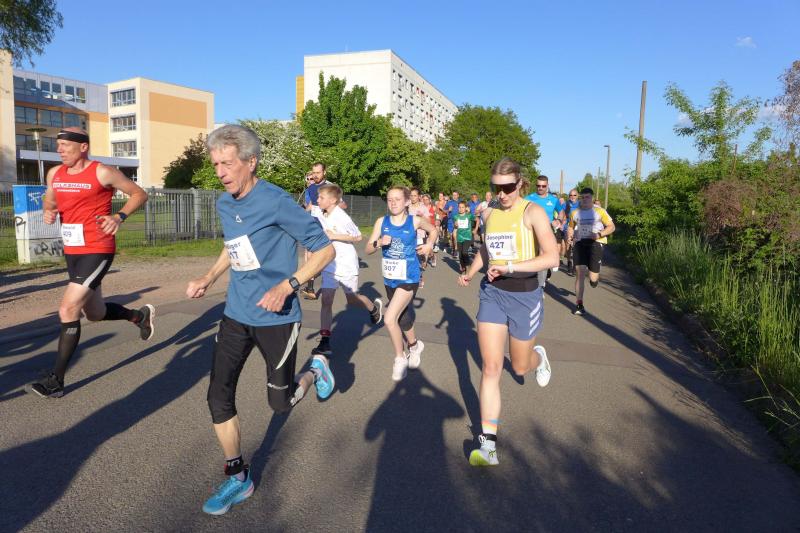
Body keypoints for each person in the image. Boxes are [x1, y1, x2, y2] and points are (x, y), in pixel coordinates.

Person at [185, 125, 335, 515]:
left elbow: (325, 251)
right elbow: (233, 245)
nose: (220, 172)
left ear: (251, 162)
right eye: (216, 164)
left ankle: (315, 369)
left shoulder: (277, 202)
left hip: (277, 318)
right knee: (218, 396)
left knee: (280, 403)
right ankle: (238, 478)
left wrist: (289, 285)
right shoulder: (225, 203)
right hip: (236, 313)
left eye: (227, 163)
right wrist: (209, 277)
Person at [26, 127, 154, 399]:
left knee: (68, 308)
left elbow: (139, 194)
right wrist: (49, 211)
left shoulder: (102, 172)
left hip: (98, 248)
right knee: (95, 313)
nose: (59, 150)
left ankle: (55, 381)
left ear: (83, 147)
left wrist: (119, 217)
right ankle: (138, 316)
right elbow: (51, 199)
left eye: (65, 145)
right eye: (58, 145)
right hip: (72, 250)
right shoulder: (55, 173)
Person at [458, 157, 558, 466]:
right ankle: (488, 445)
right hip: (493, 293)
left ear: (521, 184)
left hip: (525, 296)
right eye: (496, 188)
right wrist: (472, 271)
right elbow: (487, 249)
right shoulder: (490, 213)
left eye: (508, 188)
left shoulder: (533, 212)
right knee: (491, 368)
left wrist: (510, 267)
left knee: (519, 366)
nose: (501, 194)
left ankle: (539, 357)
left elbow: (552, 257)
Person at [365, 186, 437, 381]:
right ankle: (415, 346)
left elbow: (433, 230)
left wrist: (429, 245)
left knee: (390, 318)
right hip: (390, 278)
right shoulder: (382, 222)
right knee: (403, 318)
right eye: (390, 199)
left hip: (409, 277)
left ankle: (399, 357)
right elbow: (368, 249)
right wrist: (379, 243)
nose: (393, 203)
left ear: (406, 202)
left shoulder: (414, 221)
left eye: (397, 199)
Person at [313, 183, 384, 358]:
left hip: (346, 263)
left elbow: (358, 236)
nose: (318, 199)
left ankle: (373, 308)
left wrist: (334, 235)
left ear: (333, 200)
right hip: (330, 262)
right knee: (326, 299)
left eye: (321, 197)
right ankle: (325, 340)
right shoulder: (319, 212)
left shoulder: (342, 217)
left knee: (351, 300)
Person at [300, 162, 346, 300]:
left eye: (318, 173)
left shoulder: (330, 187)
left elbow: (343, 205)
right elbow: (311, 205)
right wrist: (301, 212)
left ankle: (313, 284)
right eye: (313, 173)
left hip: (326, 227)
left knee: (317, 258)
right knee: (309, 257)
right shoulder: (311, 187)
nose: (315, 175)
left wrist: (327, 208)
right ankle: (310, 288)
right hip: (313, 226)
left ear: (324, 172)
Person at [567, 187, 615, 316]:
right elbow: (571, 227)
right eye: (582, 197)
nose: (585, 200)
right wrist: (569, 236)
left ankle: (594, 279)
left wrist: (599, 234)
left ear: (592, 198)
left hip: (596, 242)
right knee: (580, 273)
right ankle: (579, 304)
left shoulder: (600, 211)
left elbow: (611, 227)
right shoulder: (575, 212)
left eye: (587, 197)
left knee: (593, 277)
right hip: (580, 243)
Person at [524, 175, 561, 287]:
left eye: (543, 186)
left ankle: (540, 286)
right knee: (531, 256)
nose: (540, 188)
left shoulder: (553, 200)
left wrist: (558, 220)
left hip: (546, 231)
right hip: (530, 231)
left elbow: (561, 212)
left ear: (547, 186)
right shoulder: (528, 198)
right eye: (538, 186)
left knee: (542, 253)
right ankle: (542, 271)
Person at [453, 201, 475, 274]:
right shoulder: (456, 216)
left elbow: (476, 220)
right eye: (459, 207)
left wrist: (475, 229)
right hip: (459, 237)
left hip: (467, 237)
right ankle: (463, 266)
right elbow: (455, 227)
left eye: (462, 207)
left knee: (464, 252)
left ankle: (467, 266)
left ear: (465, 208)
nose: (461, 209)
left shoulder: (469, 216)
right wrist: (455, 225)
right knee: (460, 255)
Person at [563, 189, 580, 274]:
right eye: (570, 195)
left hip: (578, 228)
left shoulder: (581, 204)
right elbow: (562, 215)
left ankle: (575, 265)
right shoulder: (565, 204)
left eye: (574, 195)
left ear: (578, 196)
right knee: (568, 245)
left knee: (577, 246)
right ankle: (569, 261)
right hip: (568, 227)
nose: (572, 197)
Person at [421, 193, 438, 268]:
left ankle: (431, 257)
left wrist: (438, 221)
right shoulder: (420, 208)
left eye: (426, 199)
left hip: (431, 229)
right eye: (423, 199)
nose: (425, 201)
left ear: (430, 200)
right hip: (422, 229)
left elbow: (438, 216)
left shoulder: (433, 208)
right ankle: (425, 260)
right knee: (422, 245)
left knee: (429, 246)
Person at [444, 191, 460, 255]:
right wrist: (448, 210)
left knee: (456, 236)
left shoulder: (460, 202)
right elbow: (444, 210)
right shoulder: (449, 202)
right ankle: (453, 248)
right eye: (453, 195)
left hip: (458, 221)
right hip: (450, 221)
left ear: (458, 195)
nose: (454, 196)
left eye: (455, 195)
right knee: (451, 236)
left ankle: (456, 250)